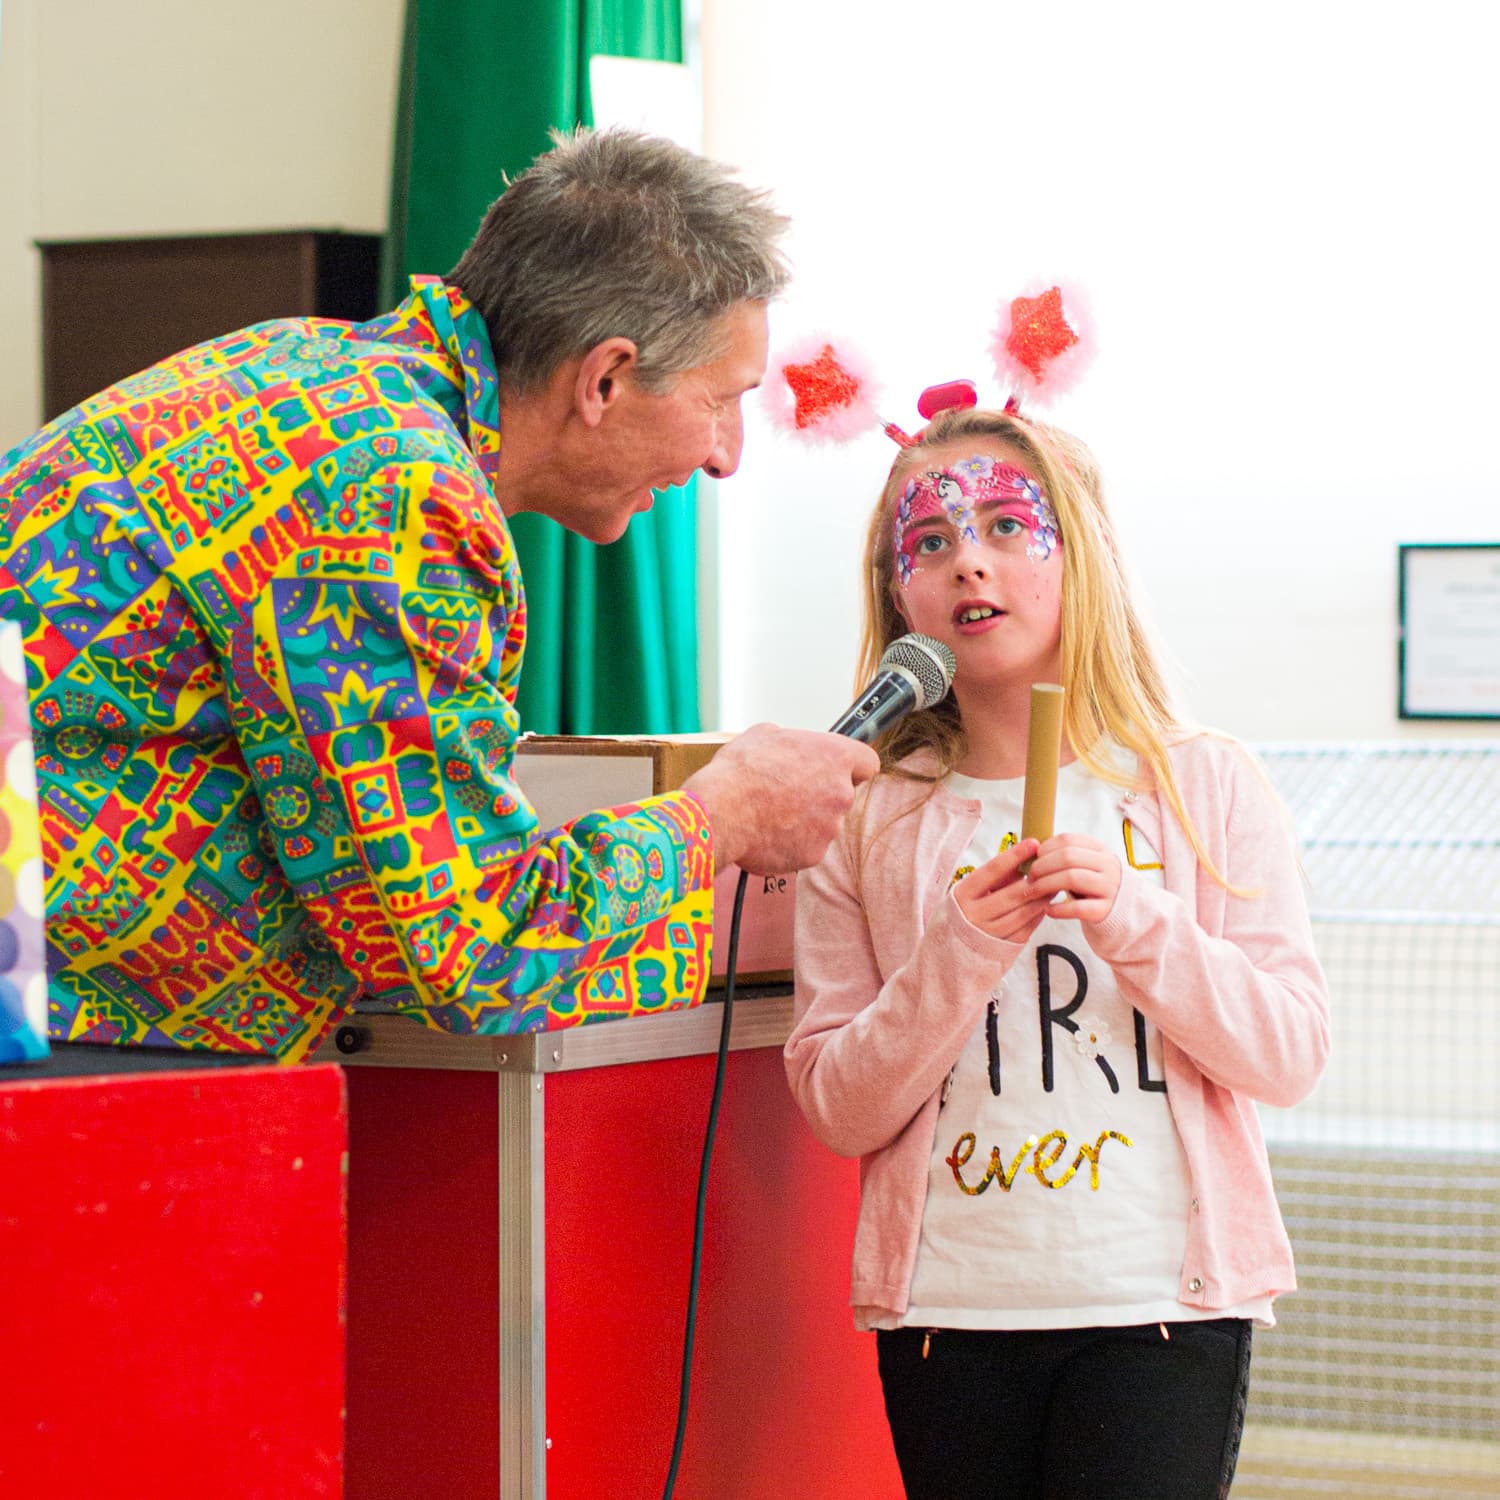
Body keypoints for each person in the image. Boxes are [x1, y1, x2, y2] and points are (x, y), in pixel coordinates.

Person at [0, 127, 876, 1062]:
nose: (725, 455)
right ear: (606, 377)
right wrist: (718, 818)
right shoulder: (391, 486)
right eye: (720, 400)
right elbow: (469, 946)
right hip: (58, 1039)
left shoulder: (303, 371)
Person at [784, 404, 1330, 1500]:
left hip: (1160, 1312)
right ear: (897, 592)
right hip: (950, 1312)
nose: (967, 562)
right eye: (928, 541)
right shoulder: (864, 819)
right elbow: (837, 1106)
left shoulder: (1199, 785)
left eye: (1004, 525)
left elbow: (1289, 1054)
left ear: (1081, 555)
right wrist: (955, 956)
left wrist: (1135, 917)